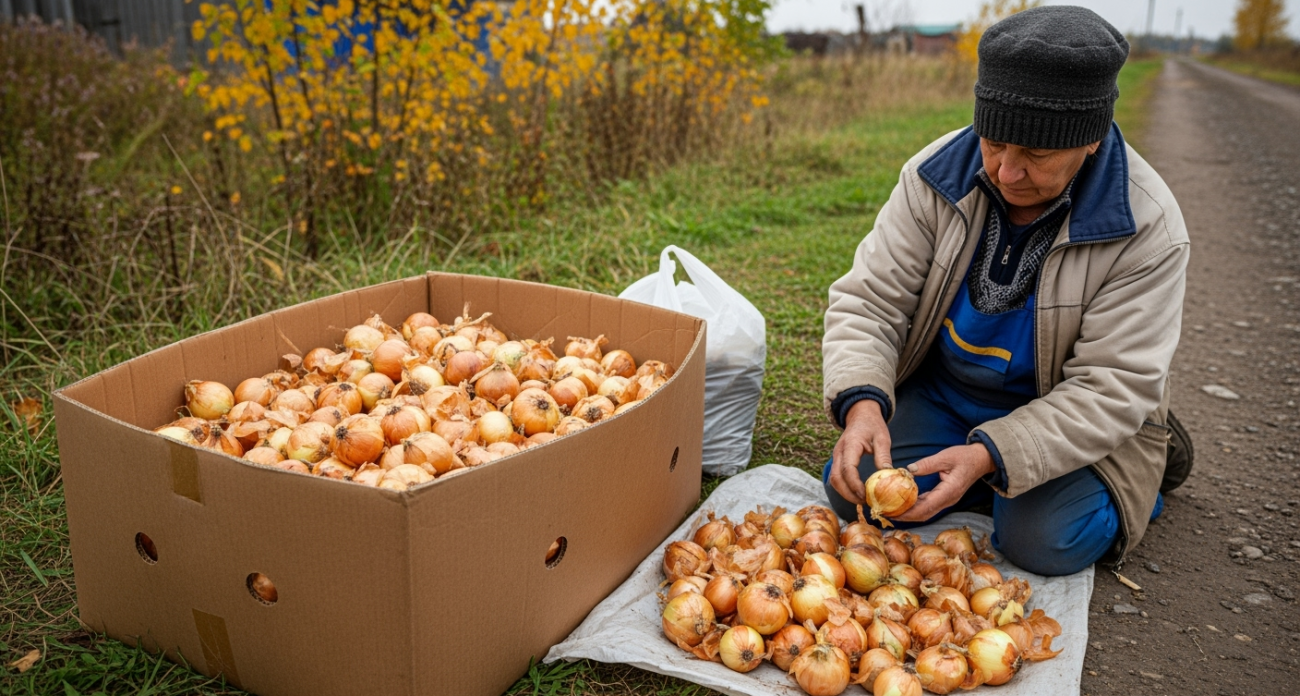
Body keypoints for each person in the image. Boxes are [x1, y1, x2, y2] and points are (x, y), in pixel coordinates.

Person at [821, 5, 1191, 576]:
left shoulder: (1147, 228)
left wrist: (993, 454)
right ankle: (985, 481)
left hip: (1059, 408)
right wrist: (863, 401)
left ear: (1090, 139)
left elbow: (1111, 383)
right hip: (950, 394)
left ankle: (1146, 463)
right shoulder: (934, 176)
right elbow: (870, 300)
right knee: (855, 492)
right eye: (993, 143)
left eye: (1036, 155)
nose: (1005, 171)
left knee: (1043, 541)